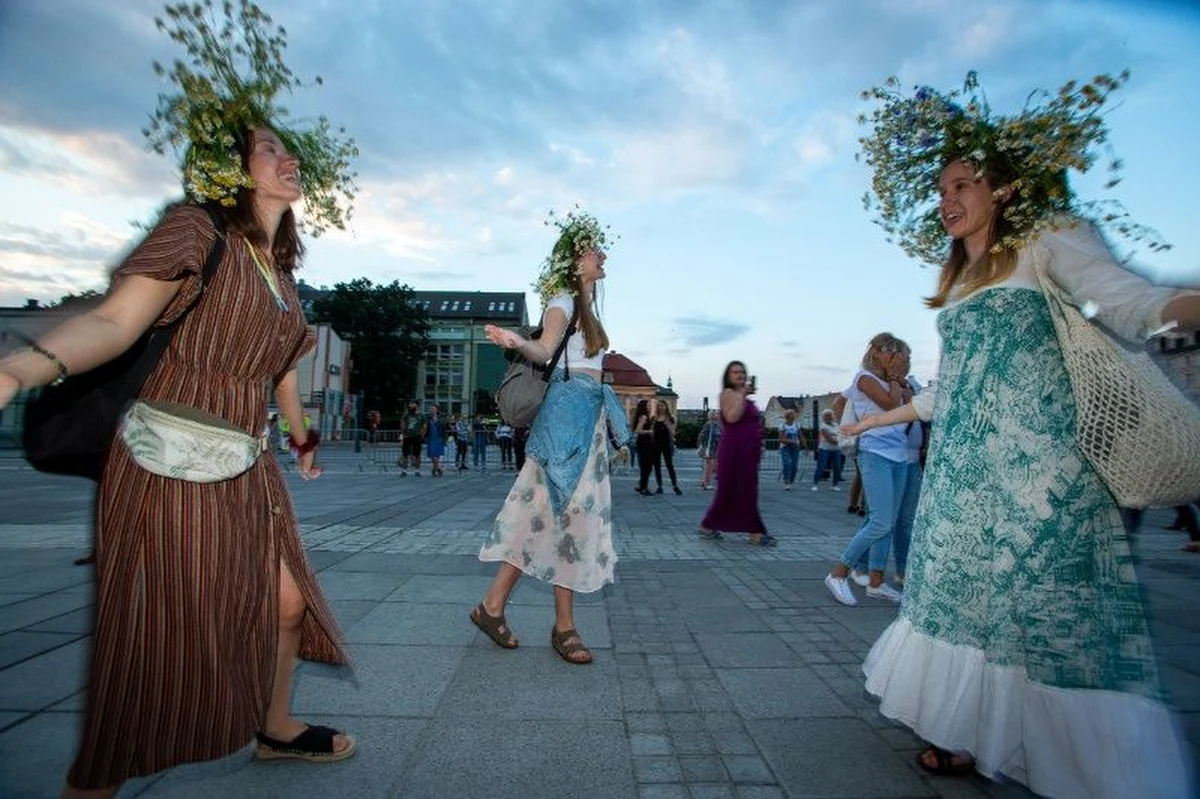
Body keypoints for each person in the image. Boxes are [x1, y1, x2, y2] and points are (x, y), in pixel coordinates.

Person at [0, 9, 359, 792]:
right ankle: (90, 784)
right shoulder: (196, 230)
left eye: (288, 148)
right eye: (268, 148)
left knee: (287, 602)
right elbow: (114, 320)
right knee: (148, 645)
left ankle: (275, 725)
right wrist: (18, 370)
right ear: (232, 170)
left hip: (246, 463)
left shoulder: (280, 277)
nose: (288, 156)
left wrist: (301, 438)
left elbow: (281, 371)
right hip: (169, 463)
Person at [848, 71, 1200, 796]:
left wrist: (1185, 306)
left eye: (962, 185)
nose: (946, 200)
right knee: (966, 604)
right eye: (940, 189)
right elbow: (951, 387)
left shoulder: (1047, 240)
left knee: (1049, 612)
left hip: (1043, 474)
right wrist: (877, 417)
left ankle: (1095, 768)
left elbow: (1131, 302)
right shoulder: (957, 282)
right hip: (963, 476)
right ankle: (965, 733)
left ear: (1005, 188)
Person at [474, 208, 629, 665]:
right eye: (594, 249)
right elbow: (544, 349)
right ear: (576, 259)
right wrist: (517, 342)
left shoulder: (587, 309)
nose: (602, 255)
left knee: (546, 518)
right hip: (565, 428)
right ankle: (561, 627)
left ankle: (494, 607)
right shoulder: (562, 300)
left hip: (582, 423)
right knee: (560, 518)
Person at [823, 333, 912, 607]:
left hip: (899, 454)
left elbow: (910, 405)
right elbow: (890, 404)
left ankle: (875, 582)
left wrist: (900, 380)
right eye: (888, 350)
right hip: (875, 453)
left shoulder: (895, 381)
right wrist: (895, 378)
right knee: (881, 522)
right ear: (874, 351)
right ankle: (839, 572)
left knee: (886, 521)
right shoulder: (864, 378)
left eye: (897, 351)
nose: (894, 355)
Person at [698, 361, 775, 546]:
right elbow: (732, 417)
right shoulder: (727, 394)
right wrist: (742, 395)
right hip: (734, 449)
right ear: (728, 376)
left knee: (745, 489)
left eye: (742, 372)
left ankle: (709, 525)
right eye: (735, 372)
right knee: (734, 489)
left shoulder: (743, 397)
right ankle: (754, 532)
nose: (740, 375)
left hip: (748, 450)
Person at [652, 401, 682, 494]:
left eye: (662, 405)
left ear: (666, 407)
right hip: (656, 444)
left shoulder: (671, 418)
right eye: (658, 406)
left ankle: (675, 486)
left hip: (666, 443)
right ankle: (659, 486)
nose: (660, 407)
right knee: (657, 466)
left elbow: (673, 432)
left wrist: (667, 424)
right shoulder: (654, 418)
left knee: (669, 464)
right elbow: (652, 431)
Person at [631, 399, 657, 496]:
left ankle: (642, 486)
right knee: (647, 467)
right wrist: (650, 431)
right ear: (644, 407)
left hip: (642, 443)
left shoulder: (641, 416)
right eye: (648, 405)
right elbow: (638, 430)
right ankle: (644, 488)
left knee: (644, 466)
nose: (650, 406)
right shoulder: (644, 417)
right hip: (645, 443)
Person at [814, 408, 843, 491]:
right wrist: (840, 440)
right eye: (826, 416)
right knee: (821, 466)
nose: (828, 417)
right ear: (823, 417)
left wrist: (840, 440)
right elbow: (828, 438)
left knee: (837, 467)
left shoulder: (836, 425)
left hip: (836, 449)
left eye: (829, 415)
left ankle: (835, 485)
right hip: (825, 448)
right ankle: (815, 484)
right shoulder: (823, 426)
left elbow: (841, 434)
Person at [399, 400, 426, 477]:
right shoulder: (407, 414)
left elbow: (424, 426)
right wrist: (403, 434)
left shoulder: (421, 415)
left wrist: (421, 435)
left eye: (412, 404)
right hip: (407, 436)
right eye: (410, 404)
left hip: (417, 437)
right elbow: (402, 423)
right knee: (405, 454)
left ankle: (417, 470)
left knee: (417, 454)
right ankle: (404, 471)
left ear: (417, 405)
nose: (410, 405)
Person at [696, 409, 720, 490]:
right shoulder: (712, 425)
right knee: (709, 467)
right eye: (716, 414)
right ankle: (706, 483)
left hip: (708, 448)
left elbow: (701, 435)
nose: (717, 415)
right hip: (710, 448)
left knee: (707, 466)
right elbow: (716, 437)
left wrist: (700, 444)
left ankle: (704, 482)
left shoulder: (709, 424)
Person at [778, 408, 801, 490]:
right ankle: (786, 481)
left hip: (795, 448)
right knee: (787, 464)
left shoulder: (797, 425)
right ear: (787, 417)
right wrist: (792, 441)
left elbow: (800, 435)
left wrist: (806, 447)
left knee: (795, 466)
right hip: (785, 447)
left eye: (793, 415)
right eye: (790, 415)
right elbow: (781, 439)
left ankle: (791, 482)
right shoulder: (782, 426)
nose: (791, 416)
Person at [426, 404, 446, 476]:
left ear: (437, 410)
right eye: (431, 409)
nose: (432, 410)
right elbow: (425, 427)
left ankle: (434, 469)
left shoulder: (441, 418)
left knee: (437, 455)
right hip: (431, 438)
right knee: (432, 455)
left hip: (439, 438)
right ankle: (438, 469)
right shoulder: (428, 418)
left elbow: (444, 427)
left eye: (433, 409)